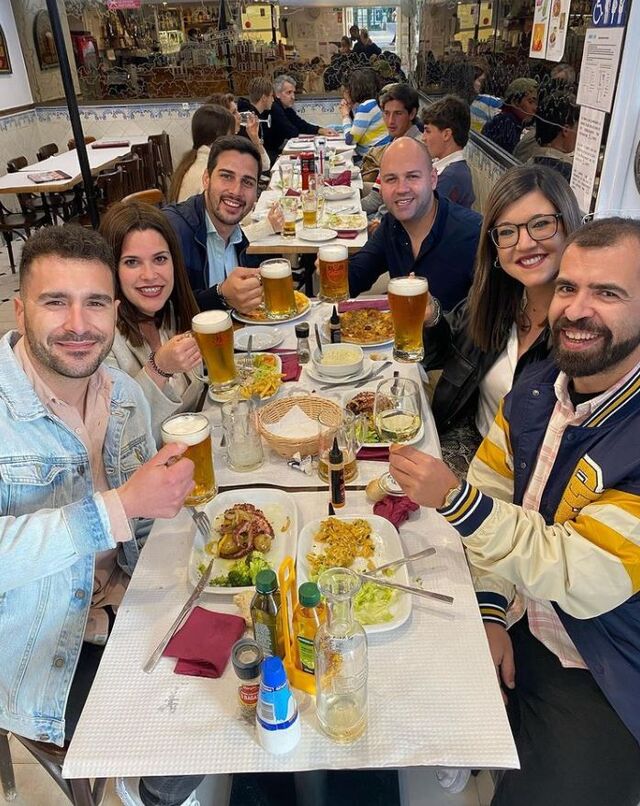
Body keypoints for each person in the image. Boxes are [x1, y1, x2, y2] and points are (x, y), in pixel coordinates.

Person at [389, 217, 640, 806]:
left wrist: (455, 501)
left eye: (607, 293)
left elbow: (579, 572)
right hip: (519, 609)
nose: (577, 309)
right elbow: (497, 489)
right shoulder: (535, 388)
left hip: (602, 657)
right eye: (569, 287)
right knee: (381, 672)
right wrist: (491, 612)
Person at [0, 224, 203, 806]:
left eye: (94, 303)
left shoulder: (124, 397)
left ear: (114, 312)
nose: (78, 325)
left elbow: (145, 523)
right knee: (187, 741)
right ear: (20, 310)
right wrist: (117, 507)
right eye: (55, 302)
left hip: (128, 600)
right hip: (40, 644)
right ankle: (144, 787)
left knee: (255, 660)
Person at [422, 165, 582, 473]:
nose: (524, 243)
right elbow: (445, 354)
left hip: (529, 486)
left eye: (541, 224)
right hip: (468, 450)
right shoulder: (493, 303)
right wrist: (432, 318)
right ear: (494, 248)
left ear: (569, 227)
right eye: (507, 231)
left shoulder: (586, 332)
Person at [99, 201, 204, 445]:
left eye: (159, 259)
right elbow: (116, 439)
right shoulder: (100, 340)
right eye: (132, 262)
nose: (149, 275)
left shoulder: (170, 312)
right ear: (110, 269)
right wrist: (158, 368)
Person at [348, 137, 482, 309]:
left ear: (433, 179)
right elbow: (357, 276)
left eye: (412, 176)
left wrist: (435, 318)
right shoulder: (391, 225)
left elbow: (489, 317)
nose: (401, 189)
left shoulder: (474, 234)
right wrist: (333, 271)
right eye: (391, 179)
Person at [163, 135, 263, 314]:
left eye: (247, 182)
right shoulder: (171, 229)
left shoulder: (240, 240)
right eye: (226, 176)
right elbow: (164, 310)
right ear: (206, 179)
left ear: (256, 193)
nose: (236, 191)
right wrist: (220, 295)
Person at [360, 83, 422, 215]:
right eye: (386, 113)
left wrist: (345, 212)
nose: (390, 121)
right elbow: (377, 194)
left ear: (412, 113)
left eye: (398, 114)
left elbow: (377, 202)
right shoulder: (396, 141)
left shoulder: (413, 149)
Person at [168, 104, 235, 203]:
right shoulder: (207, 170)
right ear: (219, 135)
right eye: (231, 135)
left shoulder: (195, 161)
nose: (233, 140)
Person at [262, 74, 335, 163]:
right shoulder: (275, 108)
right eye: (289, 92)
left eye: (294, 92)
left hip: (275, 150)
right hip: (268, 154)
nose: (293, 97)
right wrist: (297, 128)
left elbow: (300, 124)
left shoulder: (286, 108)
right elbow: (292, 132)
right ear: (277, 94)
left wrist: (320, 130)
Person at [420, 95, 475, 208]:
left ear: (446, 134)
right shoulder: (448, 170)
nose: (423, 138)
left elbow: (426, 214)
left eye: (428, 131)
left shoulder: (450, 177)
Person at [204, 91, 270, 173]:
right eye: (234, 112)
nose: (239, 116)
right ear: (222, 119)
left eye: (237, 111)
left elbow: (265, 165)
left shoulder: (233, 142)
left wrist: (255, 139)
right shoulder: (214, 152)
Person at [526, 90, 579, 182]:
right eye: (577, 128)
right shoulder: (566, 173)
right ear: (566, 130)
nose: (578, 134)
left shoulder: (534, 160)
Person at [339, 69, 391, 158]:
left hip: (373, 158)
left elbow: (350, 140)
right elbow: (357, 129)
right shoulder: (374, 103)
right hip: (380, 153)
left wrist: (345, 116)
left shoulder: (366, 107)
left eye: (347, 89)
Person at [482, 78, 538, 154]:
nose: (535, 108)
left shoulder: (507, 120)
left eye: (537, 104)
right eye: (530, 102)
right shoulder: (506, 123)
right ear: (514, 102)